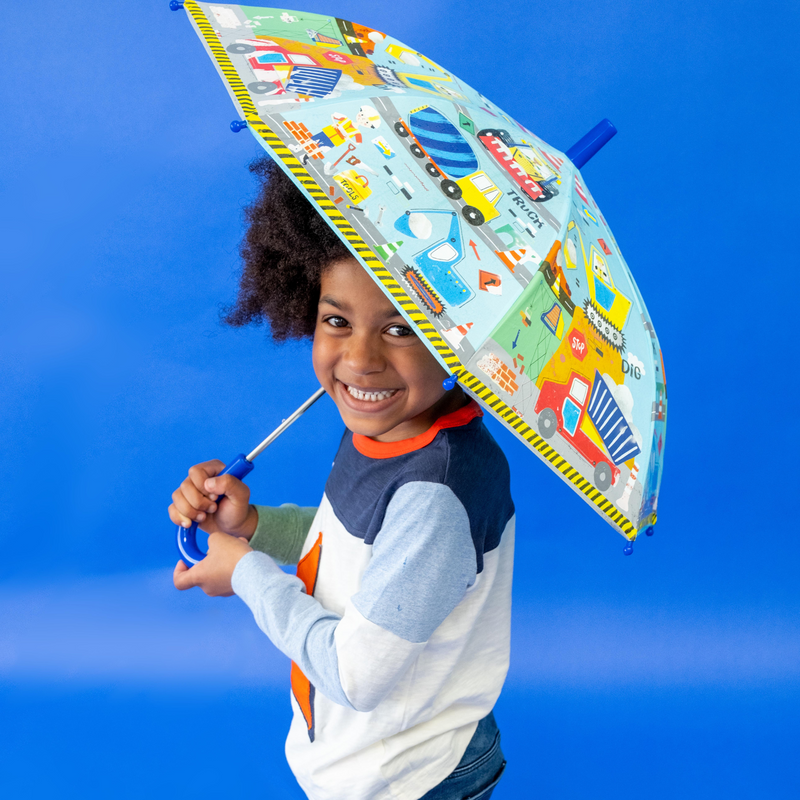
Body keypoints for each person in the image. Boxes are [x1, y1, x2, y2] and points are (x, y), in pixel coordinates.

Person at [169, 157, 514, 800]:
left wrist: (244, 573)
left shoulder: (436, 493)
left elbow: (354, 675)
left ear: (464, 333)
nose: (360, 358)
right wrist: (251, 526)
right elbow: (352, 554)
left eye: (401, 327)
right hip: (369, 756)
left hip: (414, 776)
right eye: (337, 320)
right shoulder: (389, 429)